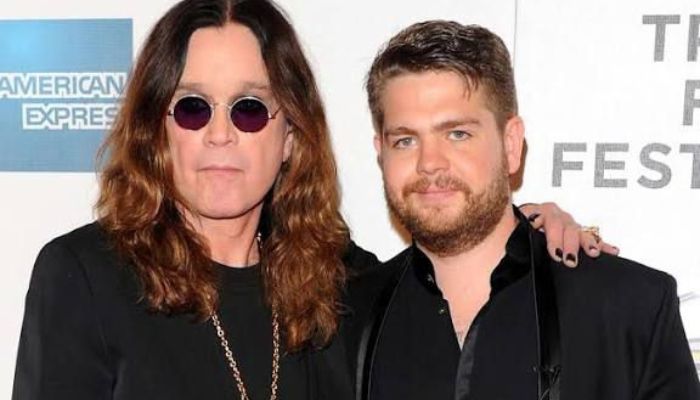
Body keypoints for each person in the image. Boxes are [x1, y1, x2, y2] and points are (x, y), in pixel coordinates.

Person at [11, 1, 611, 399]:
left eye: (249, 109)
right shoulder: (86, 275)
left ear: (291, 136)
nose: (220, 134)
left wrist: (533, 228)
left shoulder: (340, 281)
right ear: (156, 130)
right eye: (193, 108)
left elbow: (460, 265)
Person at [345, 20, 700, 400]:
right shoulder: (343, 322)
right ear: (381, 153)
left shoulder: (629, 308)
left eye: (458, 134)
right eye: (405, 140)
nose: (429, 162)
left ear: (511, 144)